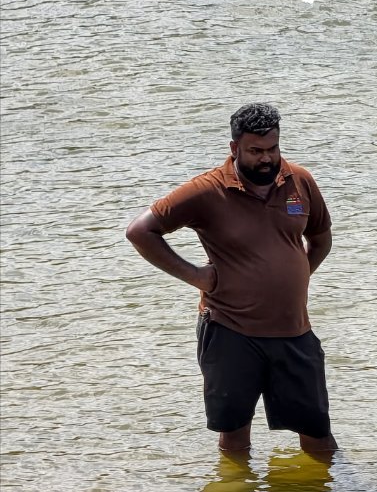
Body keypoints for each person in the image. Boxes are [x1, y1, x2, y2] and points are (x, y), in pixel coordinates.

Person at [126, 103, 337, 457]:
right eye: (256, 151)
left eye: (273, 149)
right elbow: (140, 231)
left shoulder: (299, 180)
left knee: (319, 438)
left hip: (295, 332)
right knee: (235, 440)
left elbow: (321, 239)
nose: (267, 159)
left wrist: (297, 277)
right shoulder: (207, 191)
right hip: (230, 332)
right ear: (235, 148)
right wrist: (198, 278)